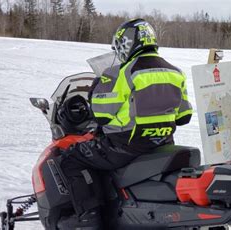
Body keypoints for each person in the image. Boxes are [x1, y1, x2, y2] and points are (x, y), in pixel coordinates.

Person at [59, 18, 192, 229]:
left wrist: (97, 89)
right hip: (162, 144)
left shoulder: (125, 71)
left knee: (71, 159)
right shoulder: (175, 72)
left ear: (127, 43)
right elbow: (184, 116)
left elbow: (101, 115)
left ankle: (89, 219)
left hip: (126, 145)